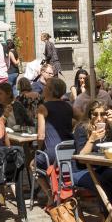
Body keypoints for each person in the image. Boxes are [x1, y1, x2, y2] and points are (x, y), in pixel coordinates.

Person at [72, 101, 112, 213]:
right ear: (89, 115)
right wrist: (92, 138)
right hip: (81, 170)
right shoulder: (82, 128)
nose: (99, 118)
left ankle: (109, 220)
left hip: (101, 168)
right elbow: (81, 157)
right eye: (95, 114)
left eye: (102, 114)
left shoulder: (108, 129)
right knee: (103, 185)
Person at [33, 77, 74, 206]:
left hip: (52, 152)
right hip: (69, 150)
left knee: (33, 165)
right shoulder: (68, 106)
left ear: (50, 91)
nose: (43, 88)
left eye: (46, 87)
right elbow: (82, 116)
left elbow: (40, 135)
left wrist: (38, 150)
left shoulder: (43, 108)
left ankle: (50, 194)